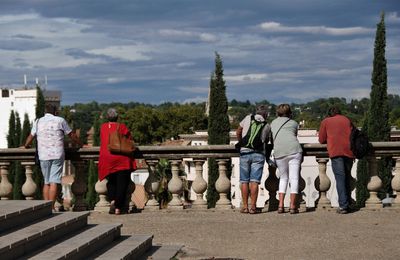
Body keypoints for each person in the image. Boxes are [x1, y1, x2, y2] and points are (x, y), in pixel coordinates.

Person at [22, 104, 82, 210]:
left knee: (46, 181)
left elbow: (31, 136)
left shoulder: (38, 121)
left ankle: (46, 207)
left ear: (45, 112)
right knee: (54, 181)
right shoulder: (60, 120)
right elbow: (71, 135)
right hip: (57, 154)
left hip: (43, 155)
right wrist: (81, 144)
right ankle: (51, 207)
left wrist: (26, 145)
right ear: (55, 112)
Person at [98, 108, 137, 215]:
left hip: (107, 158)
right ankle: (117, 208)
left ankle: (113, 201)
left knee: (111, 182)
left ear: (107, 117)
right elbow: (129, 140)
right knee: (122, 183)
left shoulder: (103, 127)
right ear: (117, 117)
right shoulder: (122, 126)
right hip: (122, 159)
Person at [319, 106, 354, 214]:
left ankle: (343, 206)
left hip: (336, 152)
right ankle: (348, 203)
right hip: (349, 152)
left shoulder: (326, 121)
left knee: (340, 178)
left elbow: (321, 139)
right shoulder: (347, 120)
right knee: (347, 178)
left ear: (329, 114)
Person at [236, 105, 271, 214]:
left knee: (244, 181)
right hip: (258, 154)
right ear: (265, 115)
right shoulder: (267, 125)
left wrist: (241, 142)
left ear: (256, 112)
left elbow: (238, 131)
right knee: (254, 181)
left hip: (245, 152)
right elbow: (265, 141)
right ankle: (253, 207)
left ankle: (245, 207)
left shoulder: (247, 118)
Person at [270, 104, 303, 214]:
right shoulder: (294, 123)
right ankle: (293, 206)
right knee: (294, 178)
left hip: (279, 151)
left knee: (283, 178)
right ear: (290, 113)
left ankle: (280, 205)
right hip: (294, 150)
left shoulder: (273, 123)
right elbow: (294, 135)